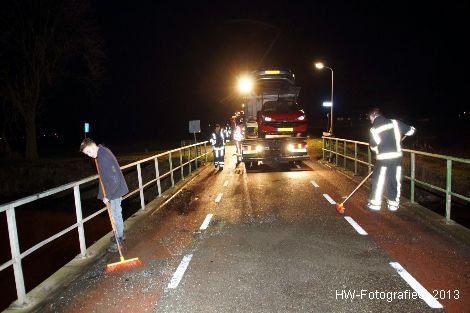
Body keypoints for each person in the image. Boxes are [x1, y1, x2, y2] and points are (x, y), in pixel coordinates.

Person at [79, 138, 129, 250]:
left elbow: (114, 180)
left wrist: (107, 196)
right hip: (113, 190)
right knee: (115, 213)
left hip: (115, 191)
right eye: (86, 154)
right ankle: (119, 234)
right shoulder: (101, 152)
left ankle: (120, 239)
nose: (89, 155)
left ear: (92, 146)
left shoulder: (103, 157)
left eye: (88, 152)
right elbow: (104, 179)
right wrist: (103, 195)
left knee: (116, 214)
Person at [367, 108, 415, 211]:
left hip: (383, 159)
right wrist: (409, 131)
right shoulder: (395, 122)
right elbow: (411, 131)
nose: (371, 121)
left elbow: (373, 147)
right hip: (396, 158)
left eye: (370, 119)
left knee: (379, 181)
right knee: (394, 180)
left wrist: (378, 150)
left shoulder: (374, 129)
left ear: (374, 115)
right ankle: (393, 205)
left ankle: (375, 204)